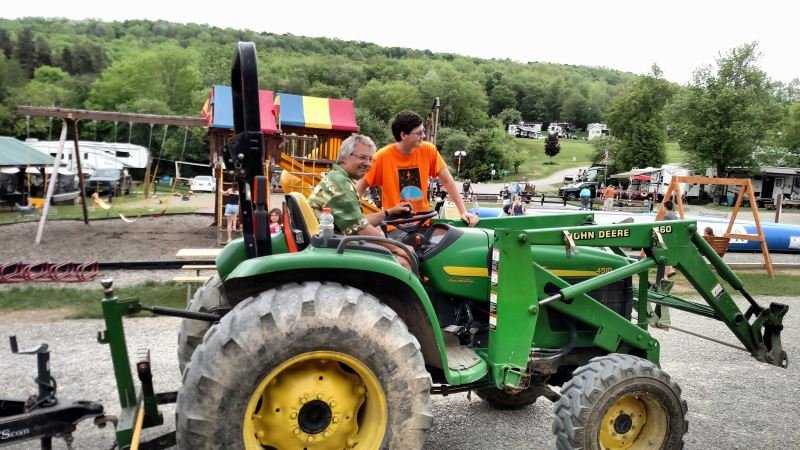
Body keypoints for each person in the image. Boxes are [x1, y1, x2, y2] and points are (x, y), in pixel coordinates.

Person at [356, 110, 478, 227]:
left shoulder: (428, 150)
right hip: (395, 226)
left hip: (423, 222)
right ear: (403, 135)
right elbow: (359, 188)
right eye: (419, 133)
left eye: (423, 131)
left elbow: (447, 180)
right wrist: (355, 218)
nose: (423, 136)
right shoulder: (382, 157)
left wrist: (463, 211)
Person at [309, 134, 414, 269]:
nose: (368, 164)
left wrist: (388, 212)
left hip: (330, 239)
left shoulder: (338, 178)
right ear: (344, 157)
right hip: (328, 245)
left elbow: (357, 222)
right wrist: (398, 248)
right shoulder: (340, 184)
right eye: (363, 157)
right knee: (403, 262)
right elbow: (361, 229)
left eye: (371, 159)